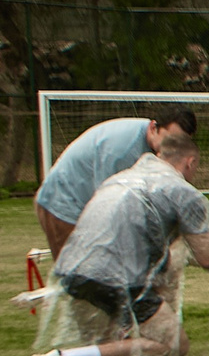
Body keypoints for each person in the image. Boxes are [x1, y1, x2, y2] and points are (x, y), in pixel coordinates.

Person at [31, 143, 209, 356]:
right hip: (113, 275)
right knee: (173, 344)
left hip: (73, 266)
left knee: (162, 284)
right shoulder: (183, 193)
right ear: (190, 163)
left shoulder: (120, 178)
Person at [34, 106, 198, 255]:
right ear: (154, 128)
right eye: (170, 139)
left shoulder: (155, 148)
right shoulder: (121, 151)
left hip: (85, 200)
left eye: (180, 143)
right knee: (79, 276)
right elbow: (107, 205)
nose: (174, 148)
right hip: (62, 204)